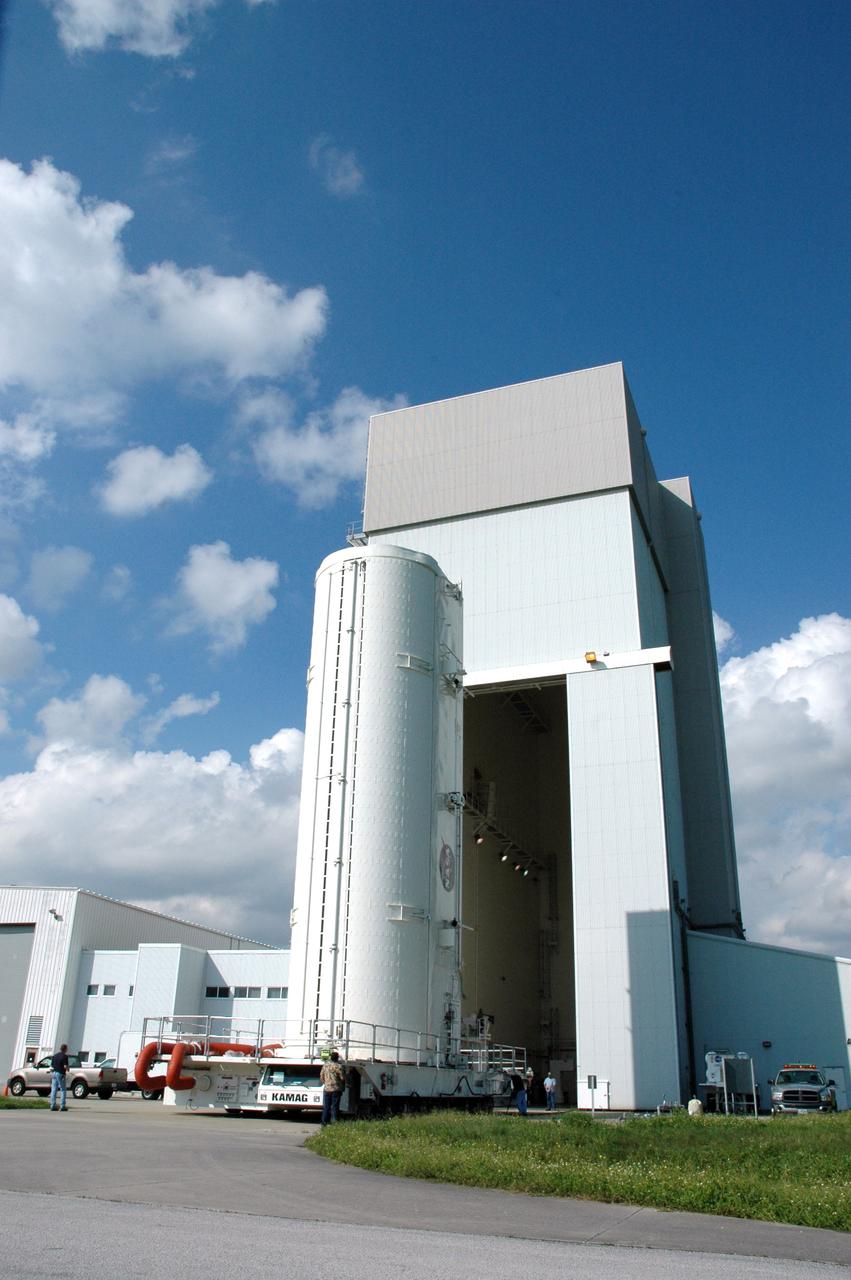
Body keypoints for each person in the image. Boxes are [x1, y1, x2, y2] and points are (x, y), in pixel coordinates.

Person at [319, 1050, 345, 1126]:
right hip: (336, 1088)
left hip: (327, 1088)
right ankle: (335, 1122)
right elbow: (342, 1078)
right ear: (337, 1058)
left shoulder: (325, 1065)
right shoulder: (339, 1066)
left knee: (326, 1107)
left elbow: (321, 1076)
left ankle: (324, 1122)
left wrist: (326, 1083)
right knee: (335, 1106)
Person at [50, 1044, 69, 1112]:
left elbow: (51, 1066)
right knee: (63, 1089)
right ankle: (62, 1106)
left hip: (54, 1073)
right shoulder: (65, 1056)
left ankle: (52, 1105)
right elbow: (65, 1066)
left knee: (54, 1089)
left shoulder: (55, 1056)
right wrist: (68, 1069)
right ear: (65, 1049)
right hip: (60, 1073)